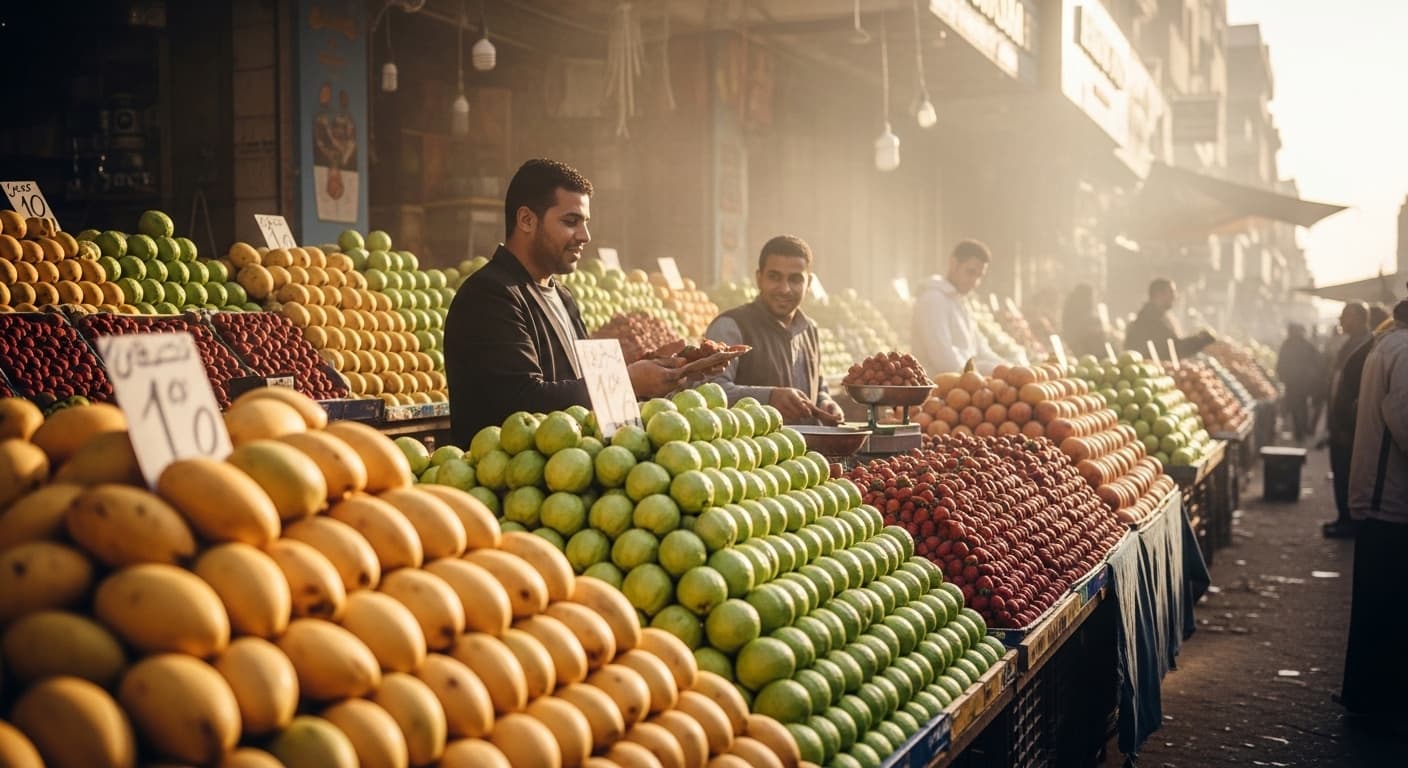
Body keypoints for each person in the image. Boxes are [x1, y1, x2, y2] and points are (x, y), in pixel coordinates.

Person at [445, 159, 682, 444]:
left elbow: (583, 384)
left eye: (585, 223)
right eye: (571, 222)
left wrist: (655, 367)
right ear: (526, 220)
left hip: (566, 473)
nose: (585, 236)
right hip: (506, 481)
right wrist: (628, 381)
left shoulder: (563, 296)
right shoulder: (490, 295)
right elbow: (521, 401)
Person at [1339, 299, 1408, 724]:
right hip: (1391, 502)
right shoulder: (1402, 352)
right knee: (1386, 607)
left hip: (1382, 501)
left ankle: (1368, 695)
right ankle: (1379, 701)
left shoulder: (1389, 345)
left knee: (1376, 606)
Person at [703, 235, 844, 425]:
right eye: (774, 277)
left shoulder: (809, 329)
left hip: (806, 452)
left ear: (808, 283)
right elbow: (709, 392)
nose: (784, 289)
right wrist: (769, 398)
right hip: (751, 452)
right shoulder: (730, 326)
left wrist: (825, 402)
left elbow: (818, 385)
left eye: (795, 279)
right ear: (759, 278)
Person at [913, 239, 1006, 376]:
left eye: (979, 276)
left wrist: (1011, 370)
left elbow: (981, 350)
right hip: (938, 389)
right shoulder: (933, 300)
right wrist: (982, 374)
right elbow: (944, 360)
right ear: (953, 263)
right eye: (970, 272)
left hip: (963, 384)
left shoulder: (959, 302)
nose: (975, 282)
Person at [1323, 303, 1372, 538]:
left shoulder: (1367, 346)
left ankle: (1351, 521)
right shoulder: (1349, 344)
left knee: (1349, 475)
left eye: (1346, 316)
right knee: (1340, 472)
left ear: (1360, 319)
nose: (1342, 321)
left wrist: (1348, 423)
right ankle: (1343, 517)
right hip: (1339, 422)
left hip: (1350, 427)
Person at [1123, 278, 1215, 359]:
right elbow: (1174, 349)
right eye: (1171, 292)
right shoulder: (1149, 319)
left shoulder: (1159, 316)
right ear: (1159, 294)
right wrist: (1202, 339)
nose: (1175, 296)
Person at [1274, 323, 1324, 442]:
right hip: (1296, 383)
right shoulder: (1300, 345)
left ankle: (1300, 431)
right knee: (1297, 406)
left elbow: (1316, 363)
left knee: (1298, 407)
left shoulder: (1299, 345)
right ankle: (1298, 431)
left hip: (1299, 383)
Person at [1060, 283, 1108, 358]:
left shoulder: (1069, 317)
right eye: (1095, 297)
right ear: (1089, 298)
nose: (1096, 300)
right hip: (1092, 361)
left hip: (1074, 359)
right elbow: (1100, 349)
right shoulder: (1092, 320)